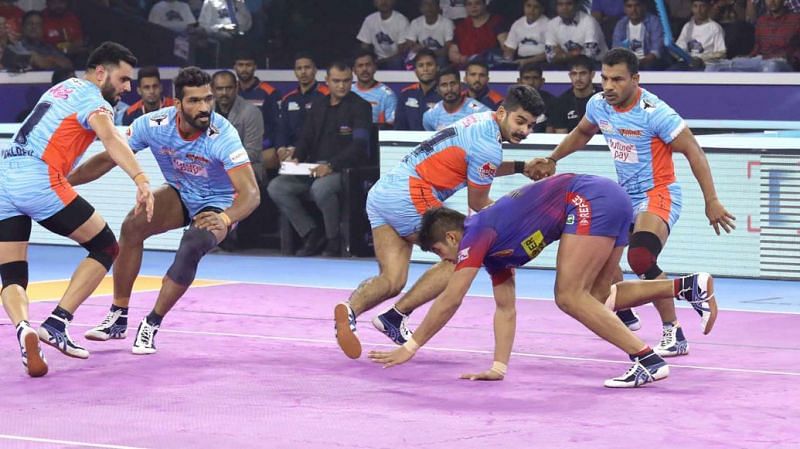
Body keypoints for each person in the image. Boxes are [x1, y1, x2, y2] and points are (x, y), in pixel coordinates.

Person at [368, 174, 719, 388]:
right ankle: (688, 286)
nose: (446, 261)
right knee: (597, 298)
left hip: (589, 198)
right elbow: (506, 309)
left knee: (568, 296)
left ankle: (647, 360)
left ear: (451, 238)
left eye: (439, 252)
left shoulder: (476, 233)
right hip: (610, 198)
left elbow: (451, 299)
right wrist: (498, 367)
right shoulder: (492, 250)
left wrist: (409, 348)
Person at [526, 48, 735, 357]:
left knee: (640, 258)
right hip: (624, 197)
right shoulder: (598, 104)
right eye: (605, 78)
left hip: (658, 193)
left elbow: (693, 151)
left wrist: (712, 200)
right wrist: (553, 158)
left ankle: (673, 332)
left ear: (635, 80)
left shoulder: (655, 112)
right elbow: (582, 132)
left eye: (618, 80)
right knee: (600, 263)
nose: (609, 86)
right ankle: (625, 312)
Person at [334, 85, 546, 360]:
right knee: (464, 255)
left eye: (530, 126)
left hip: (384, 191)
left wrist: (519, 167)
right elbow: (479, 202)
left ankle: (349, 309)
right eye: (520, 122)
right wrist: (525, 221)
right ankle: (395, 317)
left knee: (392, 279)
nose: (524, 131)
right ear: (503, 112)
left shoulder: (479, 121)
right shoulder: (489, 146)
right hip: (412, 194)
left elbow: (477, 167)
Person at [68, 66, 260, 355]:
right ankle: (119, 314)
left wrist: (225, 217)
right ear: (177, 104)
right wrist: (65, 181)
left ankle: (151, 322)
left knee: (192, 244)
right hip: (181, 191)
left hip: (218, 202)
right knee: (132, 226)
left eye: (207, 99)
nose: (204, 107)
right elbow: (109, 158)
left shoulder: (224, 135)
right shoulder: (153, 125)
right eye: (195, 101)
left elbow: (251, 194)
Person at [0, 41, 154, 377]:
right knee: (105, 246)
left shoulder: (61, 89)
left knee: (12, 273)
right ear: (100, 73)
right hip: (38, 179)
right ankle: (57, 322)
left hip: (4, 177)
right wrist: (141, 179)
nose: (128, 87)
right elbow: (111, 141)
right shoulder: (93, 100)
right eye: (123, 79)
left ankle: (23, 328)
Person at [267, 60, 372, 257]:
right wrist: (296, 158)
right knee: (277, 187)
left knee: (321, 188)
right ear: (327, 81)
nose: (341, 86)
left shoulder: (361, 107)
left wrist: (331, 166)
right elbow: (306, 137)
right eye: (336, 81)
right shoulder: (319, 104)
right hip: (312, 168)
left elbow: (359, 146)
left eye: (346, 81)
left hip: (345, 171)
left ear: (352, 81)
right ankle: (311, 233)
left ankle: (333, 239)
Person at [423, 66, 490, 131]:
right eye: (444, 85)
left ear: (461, 86)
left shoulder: (479, 111)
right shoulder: (430, 115)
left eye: (453, 84)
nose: (449, 89)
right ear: (438, 89)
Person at [394, 49, 441, 131]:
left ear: (437, 68)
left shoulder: (444, 95)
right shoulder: (406, 94)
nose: (425, 69)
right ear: (415, 71)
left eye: (429, 64)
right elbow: (399, 128)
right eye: (421, 65)